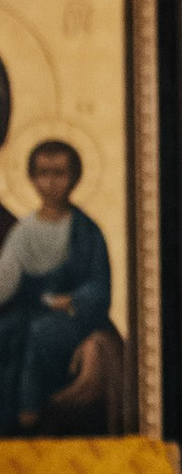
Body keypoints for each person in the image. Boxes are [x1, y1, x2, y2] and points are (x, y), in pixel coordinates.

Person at [0, 139, 114, 433]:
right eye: (43, 173)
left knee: (41, 333)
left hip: (71, 318)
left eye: (59, 173)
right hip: (29, 312)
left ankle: (32, 414)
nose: (50, 183)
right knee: (8, 330)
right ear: (32, 178)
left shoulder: (86, 231)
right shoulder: (24, 232)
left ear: (74, 177)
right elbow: (6, 280)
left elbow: (100, 287)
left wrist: (74, 299)